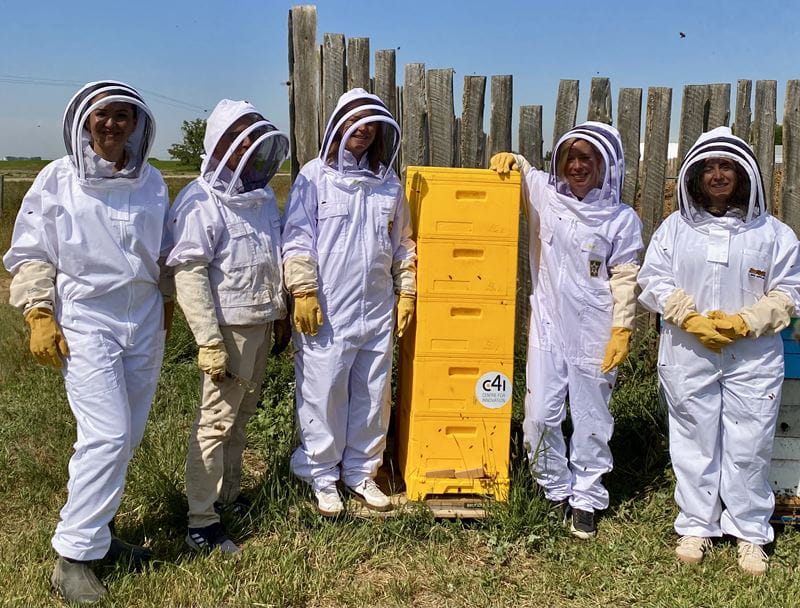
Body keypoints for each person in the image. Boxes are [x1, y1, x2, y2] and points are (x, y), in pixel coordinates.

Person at [3, 80, 173, 603]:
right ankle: (72, 556)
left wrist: (166, 307)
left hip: (143, 317)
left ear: (138, 125)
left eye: (123, 116)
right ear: (83, 121)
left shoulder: (152, 182)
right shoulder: (57, 179)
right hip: (85, 318)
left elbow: (163, 252)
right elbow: (31, 248)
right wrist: (37, 311)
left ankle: (100, 535)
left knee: (130, 434)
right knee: (107, 435)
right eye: (103, 115)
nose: (112, 125)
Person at [638, 126, 800, 575]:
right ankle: (697, 524)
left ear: (744, 173)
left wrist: (748, 320)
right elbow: (653, 280)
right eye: (709, 167)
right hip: (689, 350)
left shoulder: (774, 233)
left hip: (753, 353)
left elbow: (790, 290)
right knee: (693, 439)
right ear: (694, 176)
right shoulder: (675, 228)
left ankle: (750, 532)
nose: (717, 175)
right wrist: (686, 315)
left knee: (750, 442)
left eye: (726, 166)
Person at [490, 122, 643, 539]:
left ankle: (587, 497)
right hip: (547, 324)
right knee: (539, 415)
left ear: (604, 165)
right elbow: (521, 169)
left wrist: (622, 327)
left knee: (592, 417)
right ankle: (553, 486)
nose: (576, 166)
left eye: (586, 159)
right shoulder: (546, 196)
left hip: (596, 329)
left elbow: (626, 275)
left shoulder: (620, 218)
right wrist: (510, 159)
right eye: (569, 158)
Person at [282, 88, 416, 516]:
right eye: (354, 124)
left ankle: (361, 471)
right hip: (327, 308)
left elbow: (403, 244)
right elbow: (298, 237)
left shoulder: (388, 184)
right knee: (323, 392)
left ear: (379, 133)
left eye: (370, 126)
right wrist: (302, 290)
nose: (362, 132)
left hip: (376, 308)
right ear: (338, 126)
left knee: (374, 395)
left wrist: (407, 290)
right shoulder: (314, 176)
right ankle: (321, 474)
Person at [167, 99, 290, 553]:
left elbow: (270, 260)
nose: (245, 147)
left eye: (251, 133)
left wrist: (281, 317)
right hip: (227, 330)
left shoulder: (259, 199)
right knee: (215, 423)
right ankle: (201, 521)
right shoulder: (200, 200)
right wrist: (208, 340)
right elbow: (188, 271)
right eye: (236, 135)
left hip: (260, 323)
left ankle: (227, 499)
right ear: (219, 142)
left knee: (240, 421)